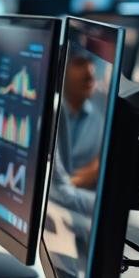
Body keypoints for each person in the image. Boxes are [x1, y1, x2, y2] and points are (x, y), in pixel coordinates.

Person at [60, 46, 105, 189]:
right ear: (62, 69)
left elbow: (95, 170)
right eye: (79, 63)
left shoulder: (101, 123)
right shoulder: (49, 113)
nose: (90, 72)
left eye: (91, 62)